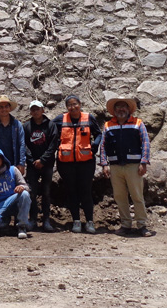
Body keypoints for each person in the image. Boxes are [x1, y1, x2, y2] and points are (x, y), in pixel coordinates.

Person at [100, 97, 154, 237]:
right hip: (115, 166)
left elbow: (146, 143)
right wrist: (104, 164)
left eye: (124, 107)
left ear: (129, 109)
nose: (121, 109)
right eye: (118, 107)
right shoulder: (108, 125)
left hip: (134, 166)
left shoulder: (138, 123)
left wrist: (143, 162)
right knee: (120, 196)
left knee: (137, 196)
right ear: (114, 110)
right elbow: (103, 146)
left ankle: (142, 225)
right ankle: (126, 225)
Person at [53, 95, 102, 234]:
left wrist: (95, 145)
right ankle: (76, 221)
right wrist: (57, 145)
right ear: (66, 107)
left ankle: (90, 222)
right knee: (72, 192)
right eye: (69, 105)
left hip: (86, 163)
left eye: (75, 104)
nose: (73, 107)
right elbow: (50, 131)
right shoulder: (60, 119)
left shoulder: (89, 118)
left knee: (86, 192)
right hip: (66, 163)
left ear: (80, 104)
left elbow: (99, 134)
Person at [0, 146, 32, 239]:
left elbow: (26, 187)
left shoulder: (13, 170)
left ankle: (22, 226)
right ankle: (4, 224)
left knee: (25, 194)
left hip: (13, 202)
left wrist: (21, 187)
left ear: (2, 158)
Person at [24, 100, 59, 232]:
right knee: (32, 192)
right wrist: (33, 160)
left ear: (43, 110)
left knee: (46, 192)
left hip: (47, 165)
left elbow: (53, 145)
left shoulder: (51, 125)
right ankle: (32, 219)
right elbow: (24, 145)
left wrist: (42, 160)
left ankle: (46, 220)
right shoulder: (26, 126)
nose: (35, 112)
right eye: (32, 109)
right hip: (32, 166)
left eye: (37, 109)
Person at [0, 95, 26, 176]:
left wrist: (21, 163)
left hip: (14, 163)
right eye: (1, 107)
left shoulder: (17, 124)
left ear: (10, 108)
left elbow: (22, 144)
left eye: (6, 106)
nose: (4, 109)